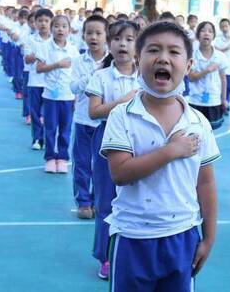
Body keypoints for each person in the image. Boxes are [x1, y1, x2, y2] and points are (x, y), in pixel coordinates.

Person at [100, 21, 219, 290]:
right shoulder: (123, 115)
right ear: (138, 59)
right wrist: (170, 151)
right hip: (132, 237)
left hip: (182, 236)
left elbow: (206, 183)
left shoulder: (197, 122)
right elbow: (119, 173)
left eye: (174, 52)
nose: (163, 58)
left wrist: (209, 238)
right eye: (153, 50)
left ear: (188, 66)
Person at [85, 20, 140, 280]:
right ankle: (105, 256)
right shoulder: (101, 76)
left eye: (129, 39)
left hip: (140, 140)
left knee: (139, 199)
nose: (123, 44)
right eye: (117, 39)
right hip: (107, 140)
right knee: (106, 201)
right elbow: (94, 111)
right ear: (110, 43)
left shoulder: (145, 75)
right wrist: (121, 103)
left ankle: (134, 252)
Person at [69, 15, 109, 220]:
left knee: (103, 166)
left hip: (105, 122)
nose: (93, 37)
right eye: (89, 33)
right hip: (84, 120)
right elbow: (73, 87)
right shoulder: (78, 61)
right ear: (83, 35)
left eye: (98, 33)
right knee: (82, 163)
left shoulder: (113, 61)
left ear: (106, 36)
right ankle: (83, 202)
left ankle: (99, 200)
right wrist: (92, 75)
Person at [35, 15, 78, 173]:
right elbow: (39, 68)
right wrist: (57, 65)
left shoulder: (73, 50)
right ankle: (50, 158)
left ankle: (62, 158)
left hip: (68, 96)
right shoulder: (45, 47)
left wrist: (76, 96)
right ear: (52, 28)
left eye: (64, 26)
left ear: (69, 29)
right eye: (57, 26)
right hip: (50, 96)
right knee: (51, 128)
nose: (60, 29)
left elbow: (76, 74)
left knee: (66, 129)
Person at [188, 21, 228, 129]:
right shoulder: (191, 55)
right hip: (195, 100)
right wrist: (207, 70)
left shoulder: (220, 56)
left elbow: (223, 79)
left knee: (210, 133)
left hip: (213, 101)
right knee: (194, 131)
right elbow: (191, 78)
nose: (206, 33)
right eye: (203, 30)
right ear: (197, 35)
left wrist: (223, 100)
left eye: (210, 31)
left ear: (214, 36)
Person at [23, 8, 53, 150]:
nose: (43, 24)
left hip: (51, 82)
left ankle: (49, 138)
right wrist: (36, 55)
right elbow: (27, 59)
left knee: (49, 113)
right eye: (40, 21)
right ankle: (37, 138)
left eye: (46, 21)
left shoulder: (56, 40)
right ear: (34, 23)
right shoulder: (31, 39)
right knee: (34, 111)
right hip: (35, 81)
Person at [214, 18, 230, 110]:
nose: (224, 28)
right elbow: (216, 50)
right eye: (222, 26)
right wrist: (227, 48)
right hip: (221, 68)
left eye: (226, 26)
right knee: (222, 86)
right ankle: (223, 104)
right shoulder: (217, 39)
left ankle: (226, 102)